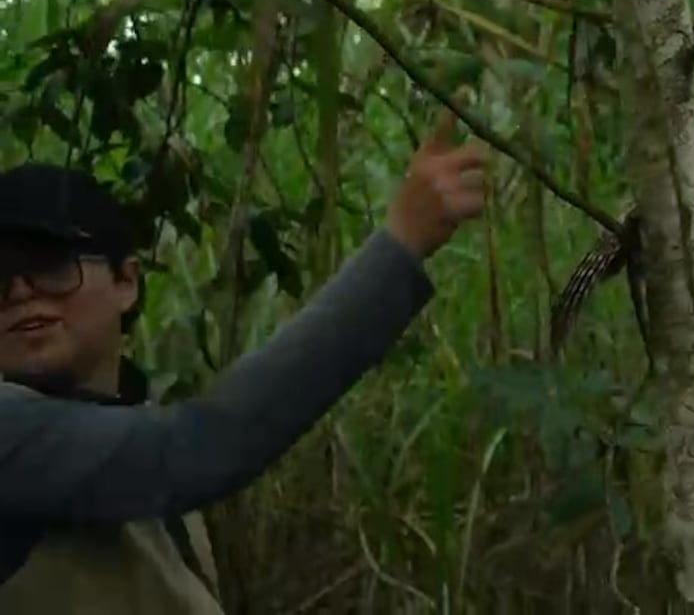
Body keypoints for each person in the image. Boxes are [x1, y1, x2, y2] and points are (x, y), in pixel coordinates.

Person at [0, 124, 488, 614]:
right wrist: (401, 244)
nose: (20, 292)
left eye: (51, 263)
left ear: (126, 282)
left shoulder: (136, 442)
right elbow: (205, 443)